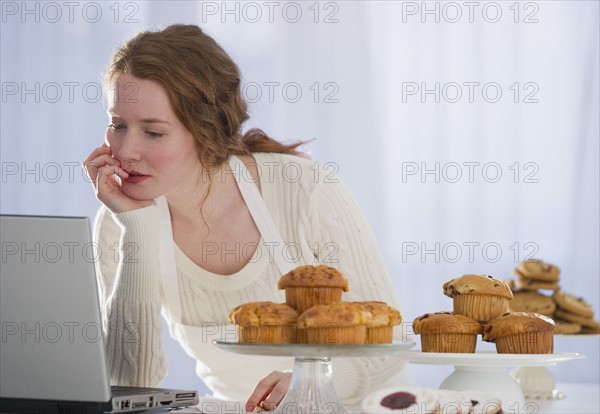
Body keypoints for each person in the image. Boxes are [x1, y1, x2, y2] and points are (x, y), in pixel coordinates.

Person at [84, 24, 409, 412]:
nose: (126, 150)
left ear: (205, 131)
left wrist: (312, 384)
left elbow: (388, 344)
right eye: (118, 125)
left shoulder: (304, 190)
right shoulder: (119, 221)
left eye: (153, 132)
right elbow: (128, 386)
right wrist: (136, 232)